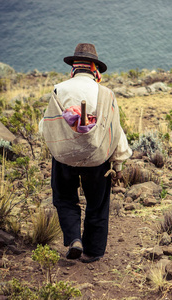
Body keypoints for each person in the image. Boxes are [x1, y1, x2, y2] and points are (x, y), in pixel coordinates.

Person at [44, 43, 132, 263]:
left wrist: (60, 144)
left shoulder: (59, 89)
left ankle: (74, 238)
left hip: (65, 157)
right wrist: (118, 164)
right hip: (97, 158)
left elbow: (46, 125)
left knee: (64, 198)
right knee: (97, 203)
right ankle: (92, 251)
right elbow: (115, 130)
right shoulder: (106, 94)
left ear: (74, 67)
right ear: (95, 69)